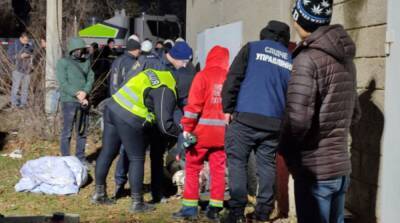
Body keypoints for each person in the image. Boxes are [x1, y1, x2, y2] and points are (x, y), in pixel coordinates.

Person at [279, 1, 361, 223]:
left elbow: (298, 122)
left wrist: (286, 151)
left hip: (314, 171)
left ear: (300, 19)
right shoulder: (346, 60)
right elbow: (354, 113)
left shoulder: (307, 60)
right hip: (341, 168)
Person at [91, 44, 193, 213]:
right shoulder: (166, 89)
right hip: (128, 116)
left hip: (113, 106)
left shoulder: (159, 73)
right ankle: (137, 203)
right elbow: (165, 125)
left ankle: (99, 194)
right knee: (137, 158)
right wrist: (182, 133)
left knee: (108, 151)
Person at [221, 20, 292, 222]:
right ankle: (263, 212)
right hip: (274, 123)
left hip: (244, 118)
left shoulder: (252, 48)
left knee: (237, 163)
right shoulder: (289, 58)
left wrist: (227, 108)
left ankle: (235, 213)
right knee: (267, 167)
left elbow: (233, 78)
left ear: (265, 33)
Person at [172, 46, 229, 221]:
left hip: (201, 134)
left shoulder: (202, 76)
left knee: (192, 168)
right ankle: (214, 209)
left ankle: (190, 209)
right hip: (222, 135)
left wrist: (187, 128)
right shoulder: (230, 78)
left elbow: (193, 108)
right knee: (218, 171)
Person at [56, 37, 95, 165]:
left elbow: (91, 77)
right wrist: (77, 94)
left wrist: (85, 92)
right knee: (67, 131)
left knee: (82, 131)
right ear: (73, 50)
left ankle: (81, 158)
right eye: (79, 49)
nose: (81, 52)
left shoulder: (86, 61)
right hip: (69, 101)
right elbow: (63, 83)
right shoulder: (63, 63)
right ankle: (66, 159)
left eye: (82, 49)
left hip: (84, 101)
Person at [7, 32, 34, 109]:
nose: (26, 42)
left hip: (27, 70)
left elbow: (32, 53)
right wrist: (20, 56)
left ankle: (23, 104)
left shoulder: (29, 45)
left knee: (25, 88)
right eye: (25, 40)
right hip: (17, 69)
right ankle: (14, 104)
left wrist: (29, 56)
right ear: (20, 38)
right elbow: (9, 56)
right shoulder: (14, 45)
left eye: (27, 40)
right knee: (15, 87)